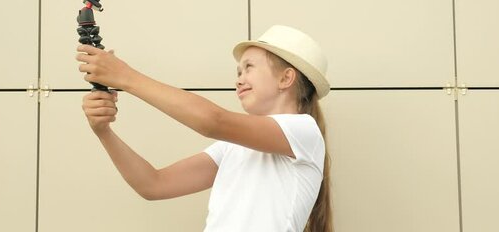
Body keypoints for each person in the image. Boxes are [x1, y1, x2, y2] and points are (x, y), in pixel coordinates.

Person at [76, 25, 334, 232]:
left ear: (286, 78)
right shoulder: (233, 147)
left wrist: (125, 77)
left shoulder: (303, 131)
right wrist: (104, 132)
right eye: (238, 71)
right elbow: (153, 184)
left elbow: (212, 121)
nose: (239, 79)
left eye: (249, 68)